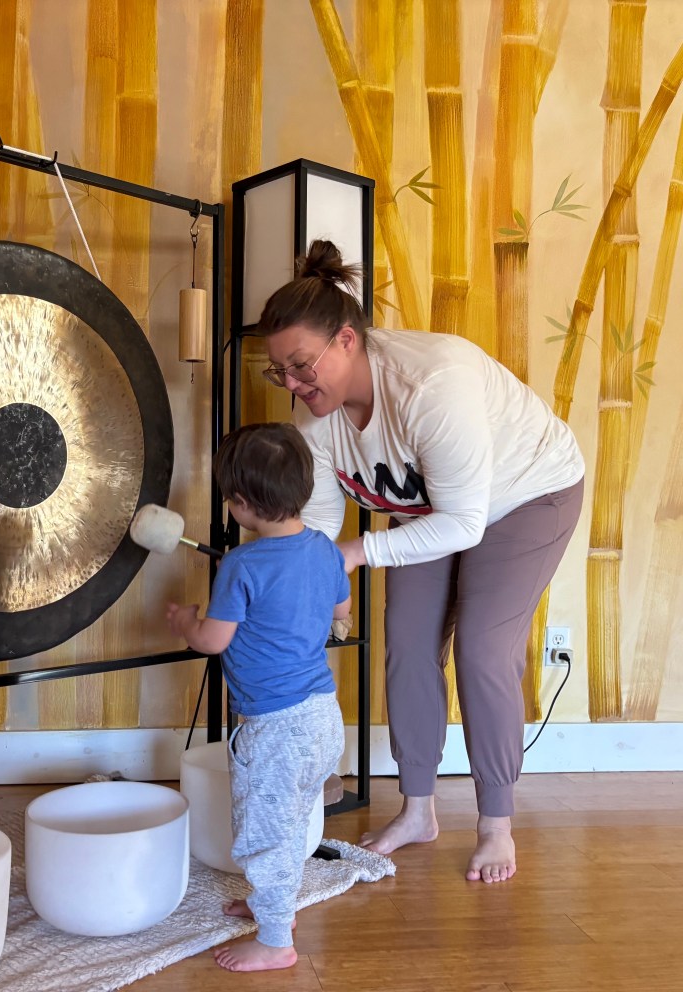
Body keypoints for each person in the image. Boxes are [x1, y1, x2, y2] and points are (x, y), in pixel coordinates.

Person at [255, 239, 585, 885]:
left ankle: (495, 824)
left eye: (300, 366)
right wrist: (305, 584)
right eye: (280, 372)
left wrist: (357, 552)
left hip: (527, 494)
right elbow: (320, 523)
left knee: (483, 651)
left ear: (347, 340)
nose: (292, 385)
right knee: (406, 644)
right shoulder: (316, 422)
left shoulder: (432, 385)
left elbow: (462, 523)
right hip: (430, 508)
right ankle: (418, 811)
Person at [166, 422, 351, 973]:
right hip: (323, 717)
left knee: (265, 837)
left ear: (242, 504)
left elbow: (213, 641)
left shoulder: (242, 566)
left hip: (275, 729)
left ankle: (275, 941)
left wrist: (186, 621)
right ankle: (274, 905)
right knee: (288, 823)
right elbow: (341, 611)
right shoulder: (325, 551)